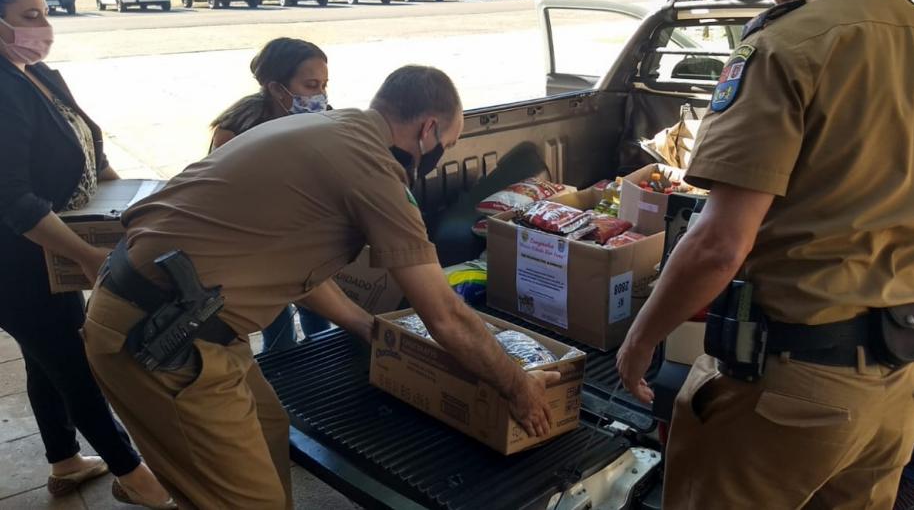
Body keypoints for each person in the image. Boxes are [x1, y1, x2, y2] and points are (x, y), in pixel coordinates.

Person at [81, 65, 560, 508]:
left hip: (179, 315)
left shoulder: (332, 129)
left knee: (270, 431)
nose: (441, 155)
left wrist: (368, 328)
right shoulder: (372, 169)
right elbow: (445, 315)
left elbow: (292, 267)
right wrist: (517, 386)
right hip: (160, 340)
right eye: (448, 144)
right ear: (428, 129)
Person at [615, 0, 914, 508]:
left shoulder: (789, 45)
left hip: (785, 395)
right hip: (893, 390)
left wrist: (640, 339)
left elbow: (718, 246)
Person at [0, 0, 174, 508]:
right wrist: (87, 255)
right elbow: (13, 198)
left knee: (44, 356)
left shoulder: (36, 73)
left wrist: (129, 202)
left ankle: (64, 460)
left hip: (47, 251)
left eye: (45, 13)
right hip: (15, 259)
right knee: (75, 362)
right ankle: (134, 476)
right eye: (30, 16)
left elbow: (89, 151)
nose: (44, 27)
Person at [209, 37, 333, 352]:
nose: (320, 95)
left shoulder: (324, 121)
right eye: (311, 85)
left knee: (321, 324)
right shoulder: (235, 131)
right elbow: (220, 200)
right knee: (278, 333)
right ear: (277, 89)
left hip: (307, 247)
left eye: (324, 85)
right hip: (256, 251)